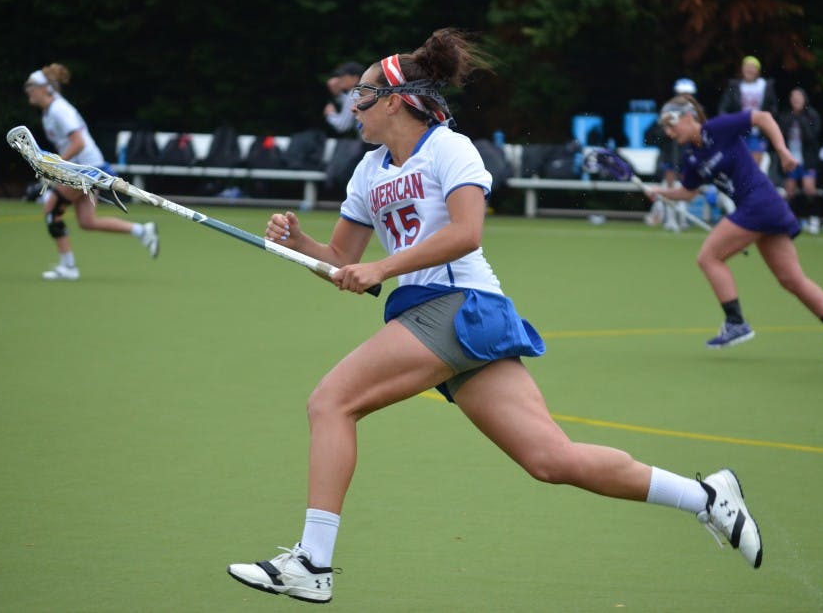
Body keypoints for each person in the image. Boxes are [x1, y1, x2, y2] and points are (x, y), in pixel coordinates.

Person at [226, 29, 764, 604]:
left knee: (330, 402)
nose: (351, 106)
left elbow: (466, 233)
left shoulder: (450, 148)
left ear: (396, 99)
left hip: (461, 308)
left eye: (362, 95)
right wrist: (301, 242)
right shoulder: (367, 173)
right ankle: (707, 497)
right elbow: (341, 263)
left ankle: (313, 562)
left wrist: (384, 270)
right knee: (551, 460)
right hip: (440, 320)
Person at [648, 95, 823, 359]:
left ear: (689, 118)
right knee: (791, 279)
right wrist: (660, 192)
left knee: (709, 257)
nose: (668, 132)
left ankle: (736, 322)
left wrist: (782, 150)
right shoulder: (692, 158)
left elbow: (763, 117)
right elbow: (688, 192)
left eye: (671, 125)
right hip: (759, 209)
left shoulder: (717, 128)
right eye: (665, 127)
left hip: (760, 203)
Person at [24, 64, 159, 281]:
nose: (28, 90)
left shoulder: (59, 110)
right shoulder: (49, 113)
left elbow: (78, 142)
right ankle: (142, 231)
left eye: (31, 86)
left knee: (52, 210)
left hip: (86, 170)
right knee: (87, 222)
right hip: (84, 169)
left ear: (45, 88)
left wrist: (53, 167)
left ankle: (68, 267)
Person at [644, 78, 698, 231]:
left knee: (685, 186)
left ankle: (682, 219)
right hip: (669, 154)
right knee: (670, 187)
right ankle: (670, 219)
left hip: (687, 154)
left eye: (688, 93)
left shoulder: (696, 112)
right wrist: (669, 132)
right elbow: (653, 134)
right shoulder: (667, 110)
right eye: (682, 93)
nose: (685, 96)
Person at [777, 87, 823, 234]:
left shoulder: (812, 116)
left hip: (807, 159)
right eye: (793, 97)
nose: (796, 100)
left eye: (799, 97)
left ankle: (814, 218)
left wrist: (800, 120)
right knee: (789, 191)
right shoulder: (785, 116)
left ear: (804, 99)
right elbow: (780, 136)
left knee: (809, 189)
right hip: (791, 159)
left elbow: (812, 137)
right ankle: (791, 220)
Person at [718, 56, 778, 167]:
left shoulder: (766, 86)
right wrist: (729, 123)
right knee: (739, 162)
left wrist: (766, 121)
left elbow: (773, 107)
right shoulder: (734, 86)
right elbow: (723, 107)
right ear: (742, 69)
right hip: (739, 129)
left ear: (758, 70)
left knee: (755, 165)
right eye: (747, 67)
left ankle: (752, 183)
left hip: (758, 131)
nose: (749, 70)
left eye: (753, 67)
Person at [323, 61, 365, 136]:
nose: (339, 79)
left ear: (355, 78)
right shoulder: (362, 91)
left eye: (343, 76)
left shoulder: (354, 93)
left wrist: (330, 114)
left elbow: (343, 126)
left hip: (371, 143)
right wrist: (338, 94)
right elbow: (349, 101)